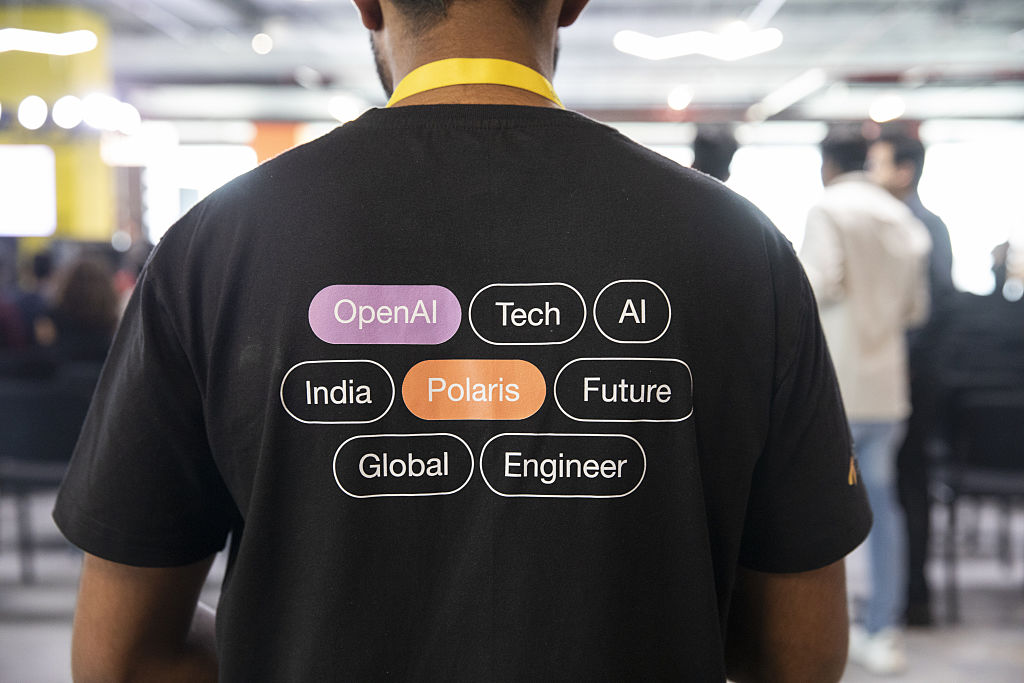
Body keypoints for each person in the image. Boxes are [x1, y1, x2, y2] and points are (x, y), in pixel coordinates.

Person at [54, 1, 871, 680]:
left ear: (366, 4)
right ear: (572, 3)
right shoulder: (741, 247)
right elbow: (800, 654)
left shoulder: (212, 245)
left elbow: (118, 657)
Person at [800, 130, 931, 675]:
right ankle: (883, 629)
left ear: (828, 165)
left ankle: (813, 630)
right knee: (884, 507)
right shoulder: (904, 220)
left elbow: (818, 286)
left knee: (811, 508)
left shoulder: (828, 209)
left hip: (837, 386)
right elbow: (916, 311)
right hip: (887, 389)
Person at [867, 130, 955, 626]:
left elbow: (933, 308)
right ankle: (895, 596)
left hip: (913, 379)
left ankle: (913, 596)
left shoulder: (922, 226)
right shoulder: (889, 222)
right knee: (893, 487)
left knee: (908, 484)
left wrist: (898, 353)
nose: (870, 173)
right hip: (893, 374)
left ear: (904, 171)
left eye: (878, 163)